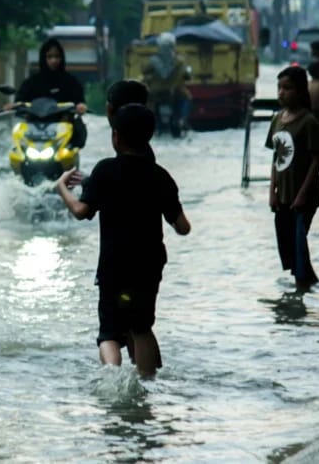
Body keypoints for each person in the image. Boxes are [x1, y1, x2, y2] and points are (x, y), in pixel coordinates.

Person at [55, 104, 191, 377]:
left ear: (116, 136)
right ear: (149, 137)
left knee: (109, 333)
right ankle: (146, 390)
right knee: (141, 327)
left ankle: (113, 380)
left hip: (114, 266)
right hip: (148, 266)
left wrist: (61, 189)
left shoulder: (104, 171)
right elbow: (183, 227)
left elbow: (82, 212)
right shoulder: (160, 175)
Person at [264, 66, 319, 292]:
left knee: (299, 244)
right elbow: (275, 158)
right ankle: (309, 285)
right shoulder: (277, 120)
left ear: (300, 91)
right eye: (279, 88)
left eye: (287, 88)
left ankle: (301, 294)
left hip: (305, 195)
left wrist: (301, 196)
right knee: (289, 247)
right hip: (284, 195)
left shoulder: (308, 122)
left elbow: (317, 161)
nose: (281, 93)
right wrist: (272, 193)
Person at [10, 38, 88, 147]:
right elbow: (20, 99)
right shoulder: (32, 81)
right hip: (34, 130)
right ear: (43, 58)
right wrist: (15, 105)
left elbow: (80, 100)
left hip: (63, 130)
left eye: (57, 56)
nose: (54, 60)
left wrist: (80, 106)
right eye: (49, 57)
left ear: (62, 58)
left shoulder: (71, 81)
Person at [142, 32, 191, 129]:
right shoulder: (180, 60)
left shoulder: (153, 60)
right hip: (174, 91)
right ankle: (181, 119)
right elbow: (187, 75)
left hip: (156, 91)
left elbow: (144, 71)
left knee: (145, 99)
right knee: (187, 98)